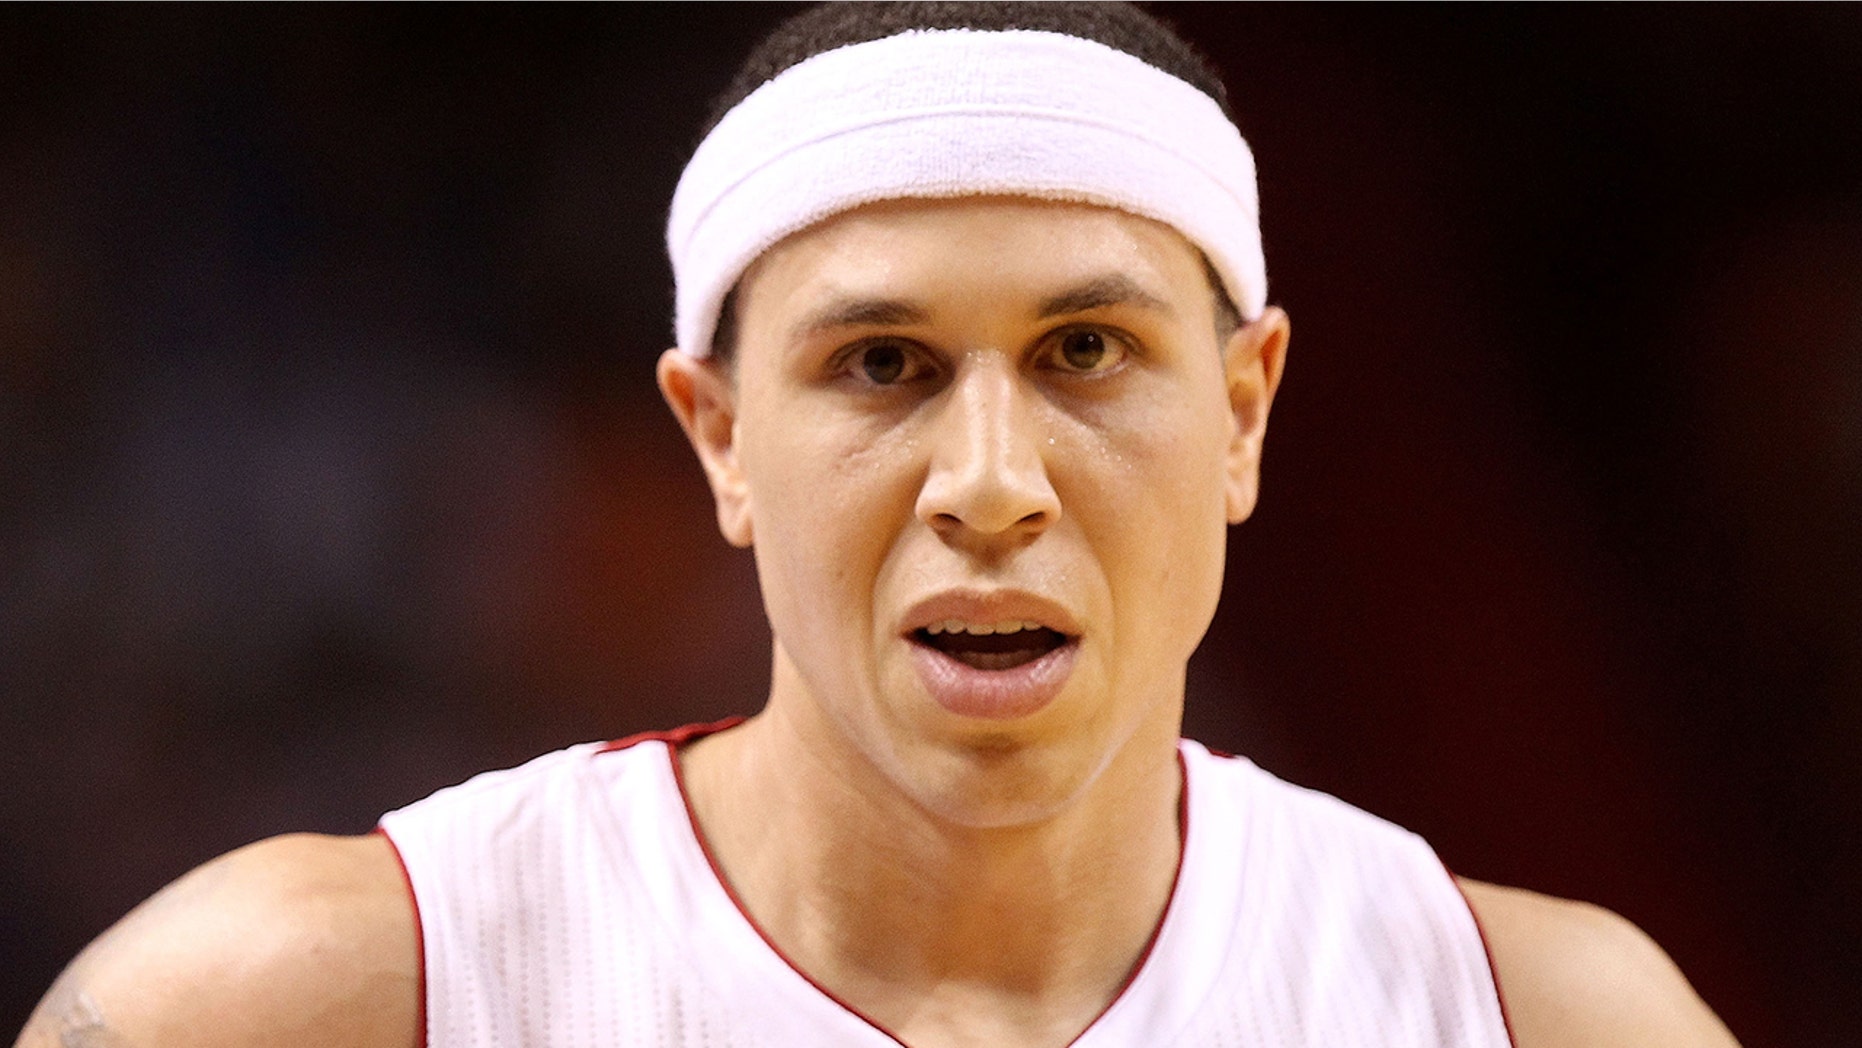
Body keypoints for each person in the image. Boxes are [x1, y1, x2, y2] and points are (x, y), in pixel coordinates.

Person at [15, 4, 1741, 1046]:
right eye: (883, 363)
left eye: (1086, 351)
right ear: (721, 437)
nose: (989, 479)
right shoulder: (300, 1003)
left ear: (1240, 412)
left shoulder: (1534, 1018)